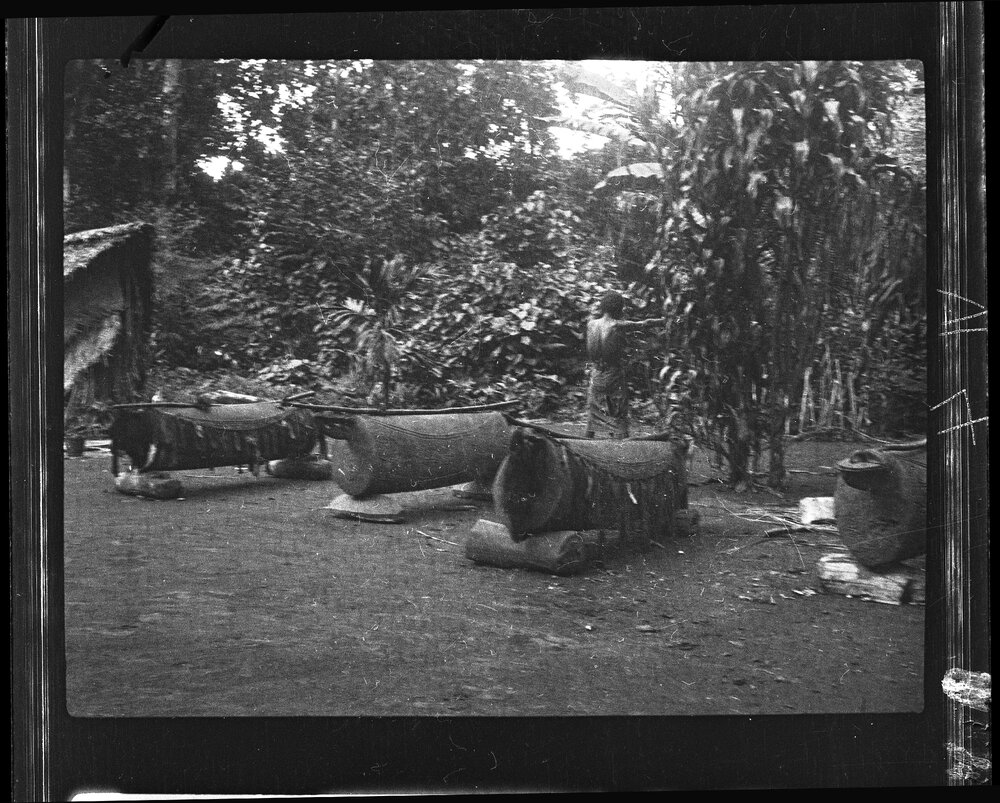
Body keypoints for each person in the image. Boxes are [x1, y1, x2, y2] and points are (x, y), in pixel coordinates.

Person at [585, 290, 665, 439]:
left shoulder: (591, 324)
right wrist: (666, 320)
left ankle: (588, 438)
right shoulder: (617, 325)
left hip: (596, 374)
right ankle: (622, 441)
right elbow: (645, 324)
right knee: (618, 410)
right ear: (618, 308)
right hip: (613, 375)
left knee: (594, 409)